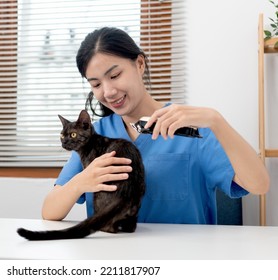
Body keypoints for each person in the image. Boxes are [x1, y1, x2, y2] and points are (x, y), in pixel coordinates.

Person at [42, 27, 270, 224]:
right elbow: (49, 212)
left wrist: (216, 121)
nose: (108, 92)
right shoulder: (94, 135)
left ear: (139, 64)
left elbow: (259, 185)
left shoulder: (191, 128)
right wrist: (81, 182)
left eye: (115, 75)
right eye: (96, 84)